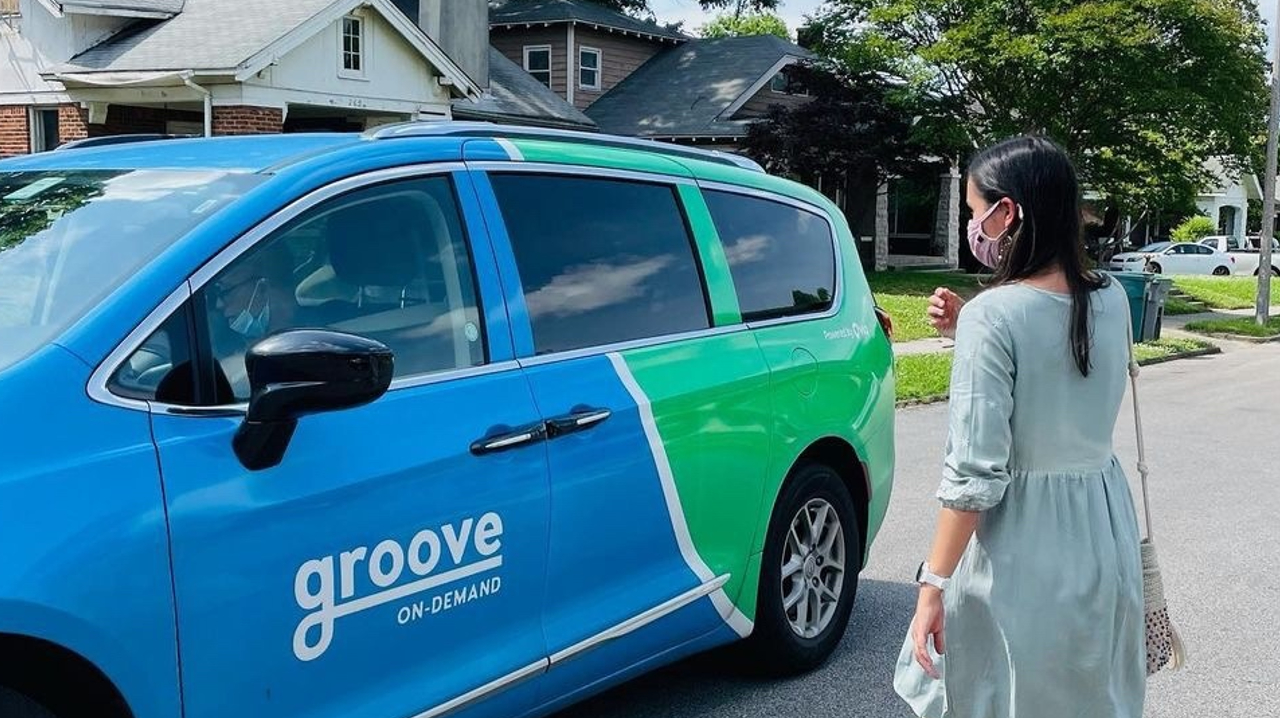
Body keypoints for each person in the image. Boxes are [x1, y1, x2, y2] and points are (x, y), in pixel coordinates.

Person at [893, 136, 1146, 717]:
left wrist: (933, 585)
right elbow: (1062, 379)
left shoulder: (996, 315)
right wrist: (970, 336)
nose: (971, 225)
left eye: (972, 211)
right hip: (1104, 533)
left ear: (1005, 213)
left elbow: (975, 476)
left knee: (1003, 698)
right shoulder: (1110, 299)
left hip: (1023, 550)